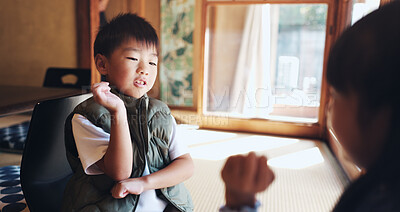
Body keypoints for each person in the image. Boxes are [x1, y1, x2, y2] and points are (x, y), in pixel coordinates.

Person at [220, 1, 400, 211]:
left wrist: (238, 203)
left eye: (336, 94)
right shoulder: (379, 189)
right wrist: (241, 201)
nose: (329, 106)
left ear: (382, 115)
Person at [62, 13, 194, 212]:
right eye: (133, 58)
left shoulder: (160, 113)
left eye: (152, 62)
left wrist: (144, 183)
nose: (144, 70)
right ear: (102, 64)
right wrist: (118, 112)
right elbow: (120, 172)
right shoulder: (86, 116)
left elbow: (186, 164)